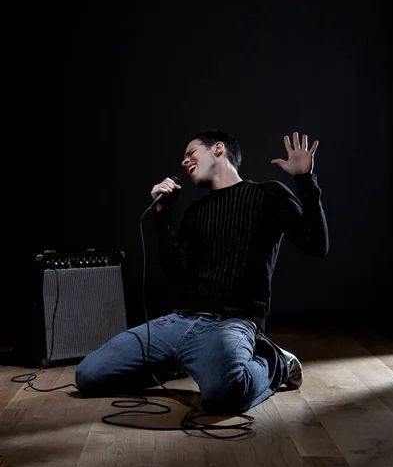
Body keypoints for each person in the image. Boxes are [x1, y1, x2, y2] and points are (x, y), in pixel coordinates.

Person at [75, 129, 329, 415]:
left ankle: (276, 361)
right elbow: (176, 275)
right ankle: (179, 362)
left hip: (232, 323)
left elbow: (316, 244)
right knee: (88, 375)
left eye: (191, 153)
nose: (184, 162)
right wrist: (162, 212)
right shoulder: (195, 212)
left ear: (218, 149)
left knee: (222, 396)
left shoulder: (268, 194)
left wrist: (304, 180)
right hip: (178, 322)